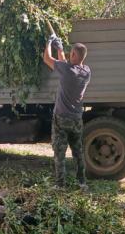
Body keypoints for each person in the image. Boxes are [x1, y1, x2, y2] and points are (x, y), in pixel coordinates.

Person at [43, 34, 91, 190]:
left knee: (60, 153)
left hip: (62, 119)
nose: (70, 55)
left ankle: (60, 185)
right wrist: (61, 49)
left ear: (74, 55)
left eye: (72, 53)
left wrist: (49, 43)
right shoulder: (86, 72)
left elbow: (47, 58)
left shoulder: (67, 70)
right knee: (78, 152)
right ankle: (82, 182)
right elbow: (65, 63)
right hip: (77, 119)